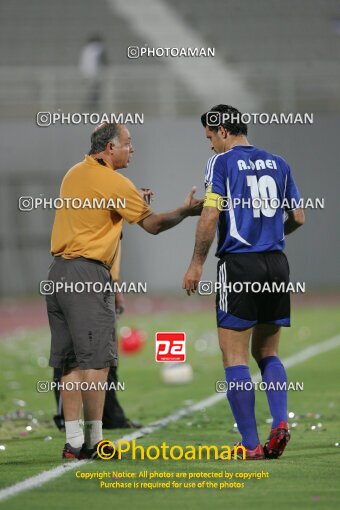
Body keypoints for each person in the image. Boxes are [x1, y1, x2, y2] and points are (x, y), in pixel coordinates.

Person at [46, 122, 203, 460]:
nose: (133, 149)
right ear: (109, 148)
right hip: (87, 275)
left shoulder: (74, 173)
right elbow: (154, 225)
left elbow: (98, 209)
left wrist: (130, 199)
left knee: (70, 363)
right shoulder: (116, 182)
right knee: (97, 362)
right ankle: (97, 442)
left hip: (57, 274)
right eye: (128, 144)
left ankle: (74, 443)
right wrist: (187, 211)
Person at [182, 104, 304, 460]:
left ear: (222, 131)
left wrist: (195, 264)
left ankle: (250, 446)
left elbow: (210, 212)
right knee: (268, 353)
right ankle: (280, 422)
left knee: (234, 356)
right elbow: (298, 216)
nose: (209, 146)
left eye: (209, 137)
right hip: (277, 265)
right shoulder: (280, 163)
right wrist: (270, 236)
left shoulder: (222, 163)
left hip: (239, 266)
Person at [52, 239, 142, 432]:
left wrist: (114, 285)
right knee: (73, 354)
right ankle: (67, 420)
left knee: (105, 355)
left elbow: (112, 252)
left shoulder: (113, 220)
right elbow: (154, 224)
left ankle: (109, 416)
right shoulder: (86, 212)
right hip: (80, 278)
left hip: (102, 279)